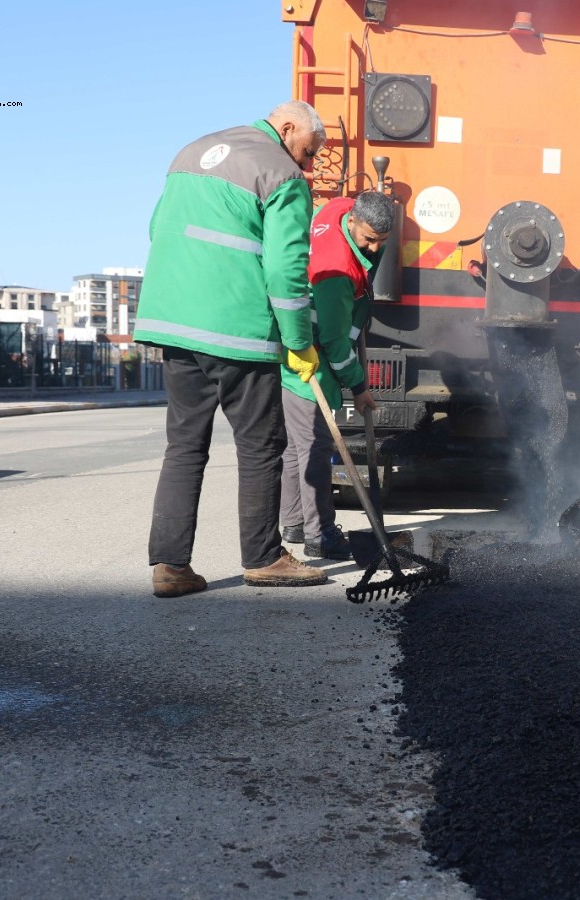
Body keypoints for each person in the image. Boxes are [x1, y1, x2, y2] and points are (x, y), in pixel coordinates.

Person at [134, 101, 329, 598]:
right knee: (262, 446)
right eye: (308, 152)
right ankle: (264, 558)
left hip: (173, 324)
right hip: (238, 331)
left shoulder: (189, 152)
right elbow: (287, 270)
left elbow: (157, 229)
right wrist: (299, 342)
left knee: (184, 446)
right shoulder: (282, 174)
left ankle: (170, 567)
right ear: (287, 128)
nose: (308, 165)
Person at [279, 190, 393, 560]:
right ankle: (321, 534)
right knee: (316, 446)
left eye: (382, 241)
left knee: (298, 448)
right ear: (355, 222)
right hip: (308, 358)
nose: (375, 249)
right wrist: (359, 386)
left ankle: (295, 523)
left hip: (304, 350)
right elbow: (333, 341)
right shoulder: (337, 271)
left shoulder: (340, 208)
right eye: (369, 239)